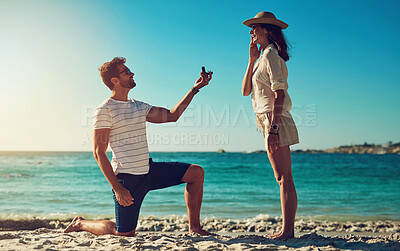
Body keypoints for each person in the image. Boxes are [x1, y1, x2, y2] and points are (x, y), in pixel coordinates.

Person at [64, 57, 213, 236]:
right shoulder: (105, 110)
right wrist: (118, 188)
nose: (132, 73)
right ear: (115, 80)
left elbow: (172, 115)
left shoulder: (138, 106)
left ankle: (195, 228)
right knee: (123, 234)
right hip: (128, 180)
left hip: (149, 171)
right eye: (126, 71)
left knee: (196, 173)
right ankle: (81, 223)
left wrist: (195, 89)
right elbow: (99, 153)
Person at [241, 12, 299, 240]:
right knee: (280, 176)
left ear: (266, 30)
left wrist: (273, 129)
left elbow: (280, 95)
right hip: (266, 119)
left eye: (254, 27)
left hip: (275, 119)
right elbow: (246, 91)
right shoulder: (261, 58)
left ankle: (288, 232)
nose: (251, 31)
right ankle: (287, 231)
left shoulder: (272, 56)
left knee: (284, 176)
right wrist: (250, 60)